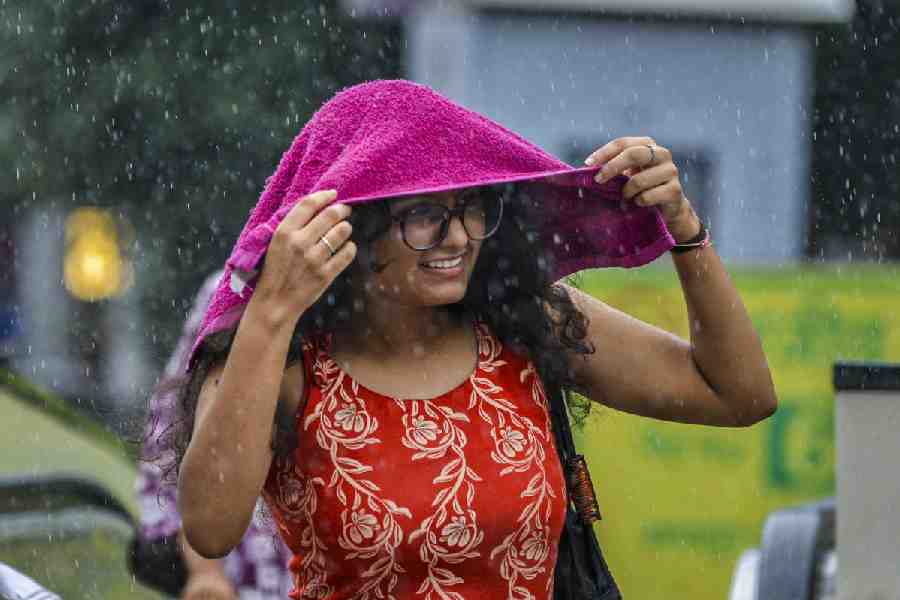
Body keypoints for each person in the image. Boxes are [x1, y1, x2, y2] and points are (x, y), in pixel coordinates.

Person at [172, 80, 777, 599]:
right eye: (423, 215)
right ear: (351, 224)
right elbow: (210, 528)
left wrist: (683, 228)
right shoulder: (284, 358)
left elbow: (738, 394)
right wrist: (271, 313)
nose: (459, 237)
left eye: (472, 208)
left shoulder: (525, 323)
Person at [136, 270, 293, 599]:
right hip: (244, 569)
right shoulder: (235, 285)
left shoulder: (373, 292)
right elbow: (167, 438)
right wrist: (205, 572)